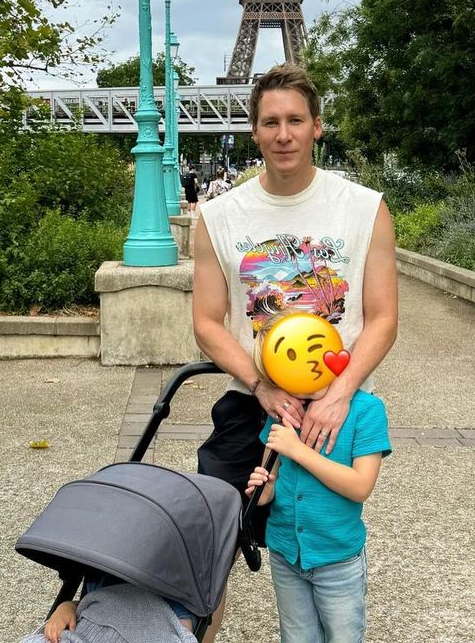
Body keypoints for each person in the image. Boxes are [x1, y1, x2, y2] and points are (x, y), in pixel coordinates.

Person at [192, 62, 398, 642]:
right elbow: (207, 323)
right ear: (254, 130)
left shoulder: (364, 209)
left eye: (295, 120)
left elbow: (383, 319)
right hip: (254, 401)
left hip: (336, 399)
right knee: (213, 542)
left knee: (326, 534)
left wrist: (339, 396)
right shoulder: (219, 216)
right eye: (270, 121)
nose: (283, 134)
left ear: (317, 128)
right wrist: (262, 386)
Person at [245, 311, 391, 643]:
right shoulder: (286, 413)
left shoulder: (366, 411)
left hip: (337, 559)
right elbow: (273, 476)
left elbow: (360, 486)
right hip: (285, 553)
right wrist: (264, 490)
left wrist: (299, 451)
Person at [24, 581, 197, 643]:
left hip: (159, 614)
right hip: (91, 621)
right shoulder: (102, 574)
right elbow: (85, 605)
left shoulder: (177, 593)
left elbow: (182, 629)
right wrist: (66, 607)